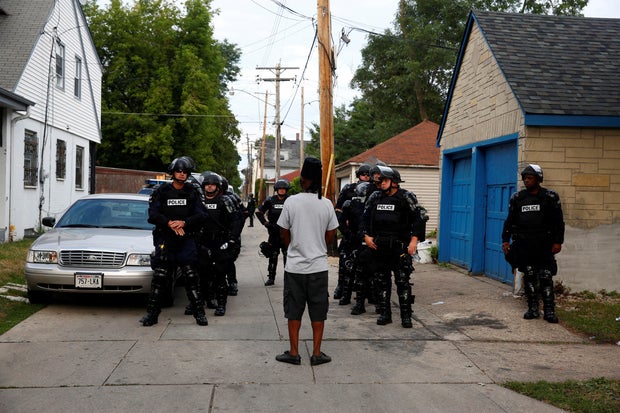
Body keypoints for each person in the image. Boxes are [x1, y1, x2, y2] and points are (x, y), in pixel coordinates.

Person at [275, 157, 339, 366]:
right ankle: (317, 353)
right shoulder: (327, 204)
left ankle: (294, 353)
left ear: (303, 180)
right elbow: (331, 235)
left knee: (294, 310)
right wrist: (318, 245)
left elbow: (283, 232)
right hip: (319, 267)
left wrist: (292, 246)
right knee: (318, 310)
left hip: (294, 267)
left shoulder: (291, 202)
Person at [141, 156, 209, 327]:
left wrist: (184, 222)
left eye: (185, 172)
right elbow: (152, 215)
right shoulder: (161, 191)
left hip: (186, 238)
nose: (182, 174)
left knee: (191, 275)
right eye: (179, 171)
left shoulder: (192, 192)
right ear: (172, 173)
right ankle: (152, 314)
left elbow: (202, 215)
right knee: (160, 276)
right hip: (166, 238)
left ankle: (199, 313)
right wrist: (169, 223)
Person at [361, 166, 426, 328]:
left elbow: (419, 219)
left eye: (383, 180)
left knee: (402, 282)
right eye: (379, 181)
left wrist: (414, 241)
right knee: (382, 282)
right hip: (379, 247)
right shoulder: (375, 197)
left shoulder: (406, 197)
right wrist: (366, 236)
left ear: (394, 182)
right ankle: (385, 314)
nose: (380, 184)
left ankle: (406, 316)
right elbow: (364, 218)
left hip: (400, 248)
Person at [502, 164, 564, 323]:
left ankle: (549, 311)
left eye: (530, 178)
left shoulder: (550, 197)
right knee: (529, 275)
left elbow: (558, 221)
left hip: (544, 245)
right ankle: (532, 308)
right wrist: (505, 240)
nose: (526, 181)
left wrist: (558, 241)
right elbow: (509, 221)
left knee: (545, 276)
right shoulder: (517, 198)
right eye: (525, 178)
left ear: (538, 179)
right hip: (524, 244)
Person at [195, 172, 239, 316]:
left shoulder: (224, 201)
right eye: (207, 184)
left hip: (220, 242)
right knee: (202, 275)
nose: (210, 187)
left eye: (213, 184)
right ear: (203, 186)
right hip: (203, 242)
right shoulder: (198, 202)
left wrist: (232, 239)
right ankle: (202, 302)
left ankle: (221, 305)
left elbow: (235, 221)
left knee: (220, 275)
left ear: (217, 187)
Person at [333, 163, 372, 300]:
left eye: (368, 175)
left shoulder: (375, 191)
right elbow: (338, 211)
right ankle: (341, 286)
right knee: (345, 261)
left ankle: (367, 291)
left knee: (367, 264)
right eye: (363, 174)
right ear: (358, 175)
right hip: (350, 231)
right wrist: (345, 230)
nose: (366, 177)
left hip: (367, 233)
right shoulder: (349, 189)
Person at [256, 179, 290, 286]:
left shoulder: (290, 200)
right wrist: (265, 223)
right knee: (273, 255)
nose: (282, 190)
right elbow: (258, 212)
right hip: (273, 232)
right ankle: (271, 278)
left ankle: (289, 279)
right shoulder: (270, 200)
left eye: (284, 189)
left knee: (287, 256)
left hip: (287, 233)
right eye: (280, 189)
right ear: (276, 189)